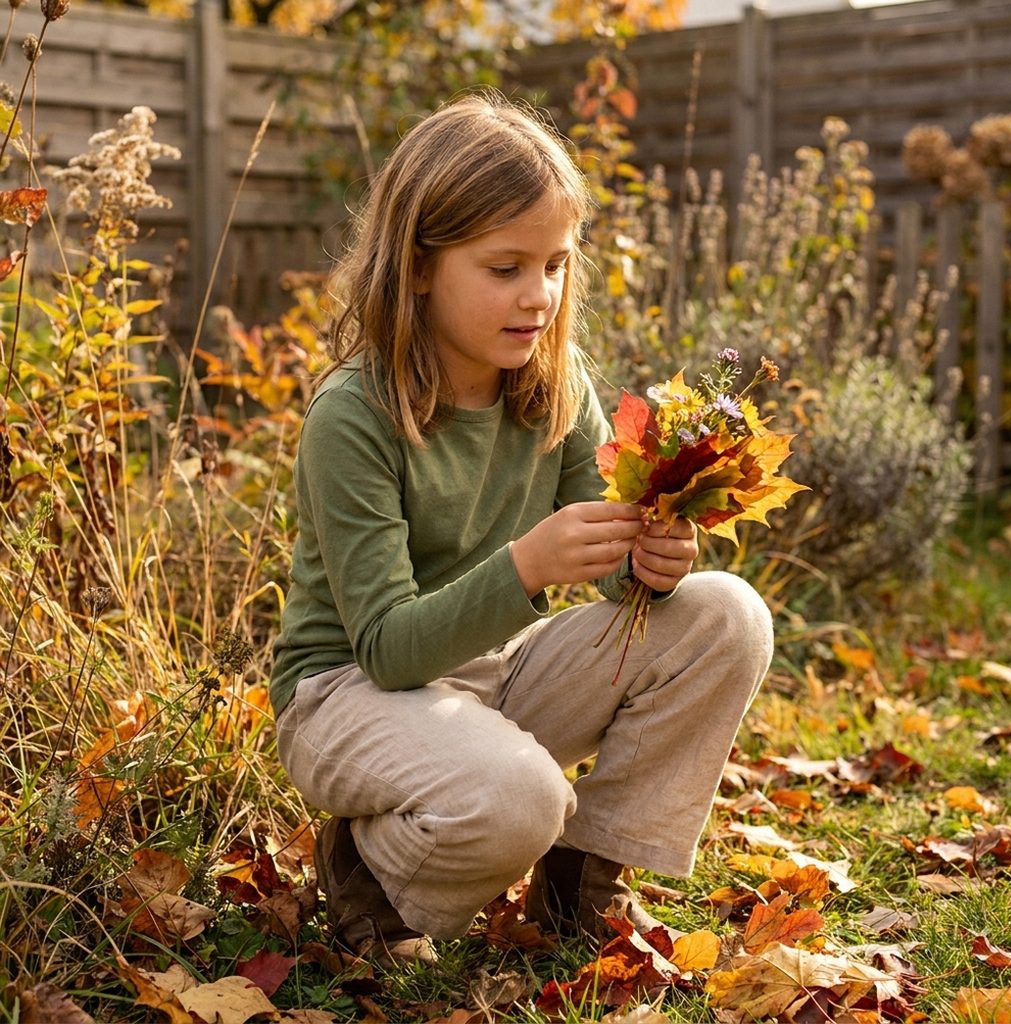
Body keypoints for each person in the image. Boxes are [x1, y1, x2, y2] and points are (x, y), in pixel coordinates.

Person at [269, 90, 774, 962]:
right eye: (505, 268)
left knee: (725, 614)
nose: (537, 295)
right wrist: (530, 564)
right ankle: (369, 875)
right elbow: (388, 649)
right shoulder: (353, 416)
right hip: (349, 692)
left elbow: (615, 565)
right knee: (520, 799)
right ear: (419, 265)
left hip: (492, 672)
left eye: (555, 265)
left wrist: (650, 561)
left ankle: (584, 879)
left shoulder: (553, 383)